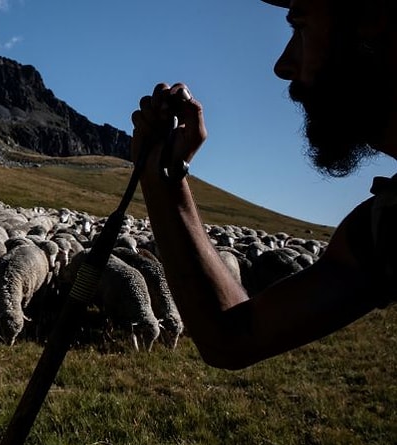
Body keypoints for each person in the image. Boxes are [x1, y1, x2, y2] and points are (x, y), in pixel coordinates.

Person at [131, 0, 397, 369]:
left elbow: (234, 337)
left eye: (300, 26)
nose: (283, 65)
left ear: (373, 18)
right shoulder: (385, 226)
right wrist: (164, 177)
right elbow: (232, 337)